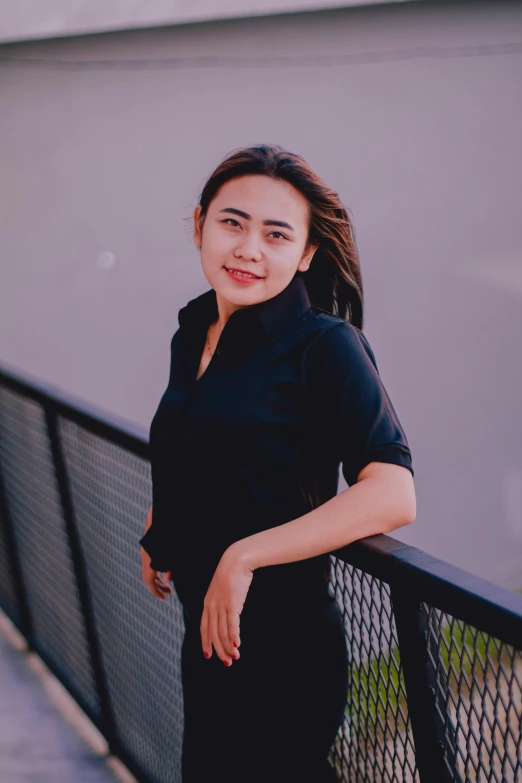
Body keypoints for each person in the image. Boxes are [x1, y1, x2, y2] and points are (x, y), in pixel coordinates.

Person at [139, 144, 416, 782]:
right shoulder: (195, 330)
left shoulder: (326, 347)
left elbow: (393, 492)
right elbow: (198, 438)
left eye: (276, 234)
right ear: (199, 223)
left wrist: (246, 555)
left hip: (285, 645)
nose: (248, 249)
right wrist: (164, 521)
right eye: (232, 223)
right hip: (206, 631)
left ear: (306, 254)